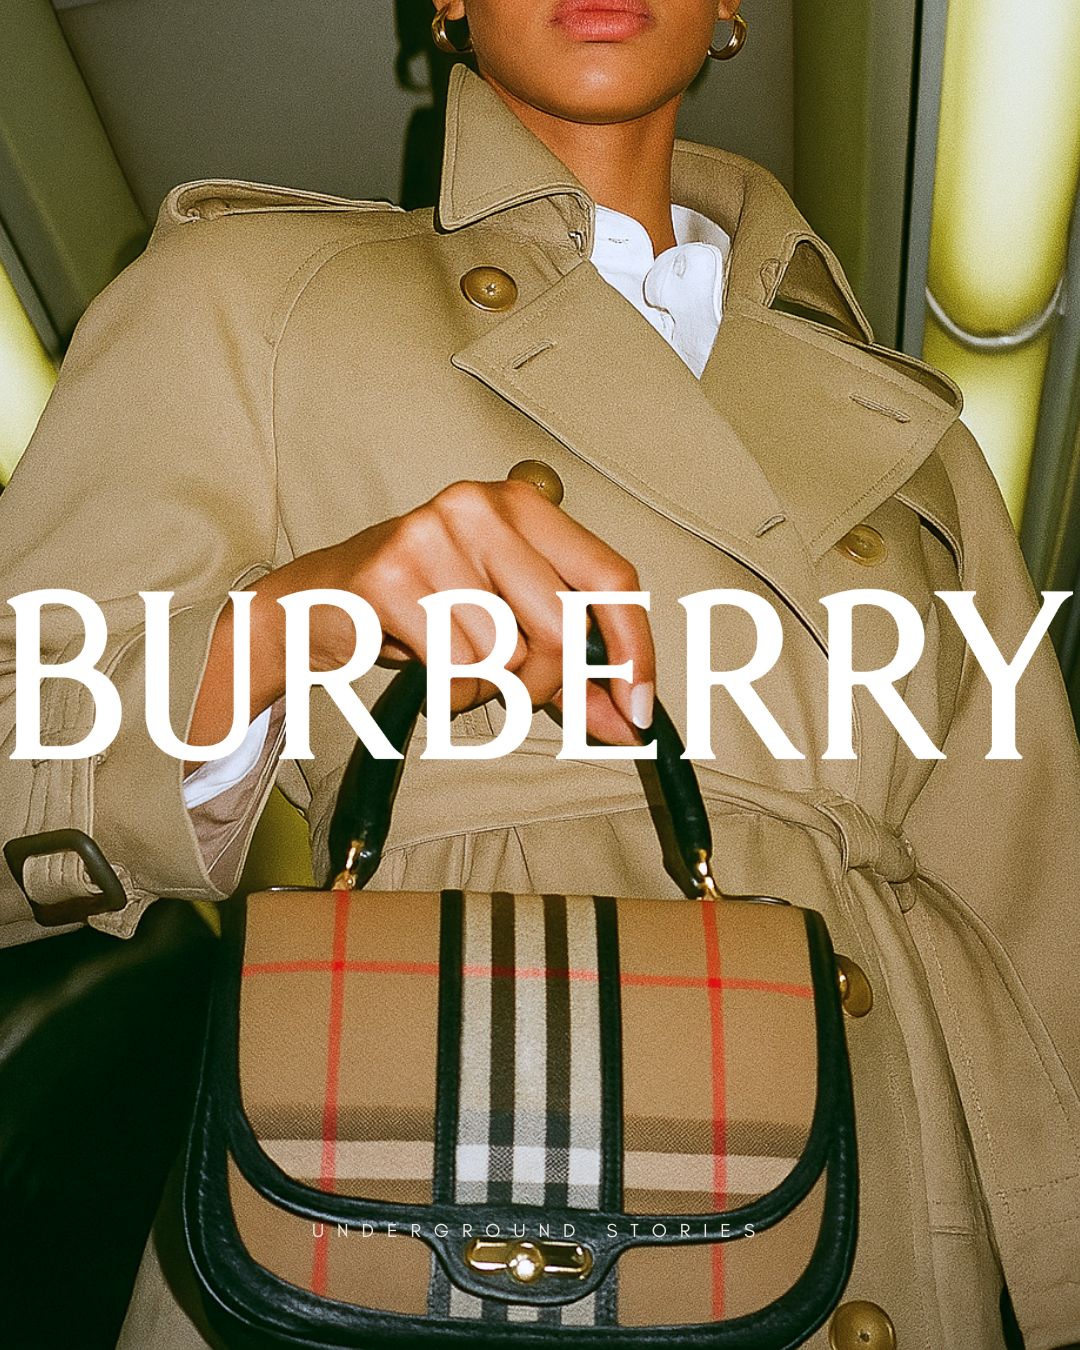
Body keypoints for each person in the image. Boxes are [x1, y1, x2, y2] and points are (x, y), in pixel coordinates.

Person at [0, 1, 1077, 1346]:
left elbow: (1037, 907)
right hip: (454, 1152)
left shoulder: (918, 432)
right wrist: (307, 615)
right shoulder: (254, 298)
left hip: (890, 1189)